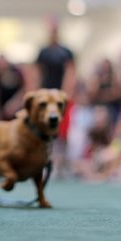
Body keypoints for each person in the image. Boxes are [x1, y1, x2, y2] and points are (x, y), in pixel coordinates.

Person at [33, 17, 77, 179]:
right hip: (46, 96)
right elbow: (37, 73)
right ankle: (45, 163)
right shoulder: (43, 52)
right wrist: (37, 93)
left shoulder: (66, 52)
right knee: (44, 130)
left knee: (62, 132)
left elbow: (70, 73)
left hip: (60, 97)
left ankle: (62, 164)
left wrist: (65, 94)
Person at [0, 54, 26, 122]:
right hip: (3, 113)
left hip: (17, 112)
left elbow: (25, 89)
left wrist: (15, 104)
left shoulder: (16, 72)